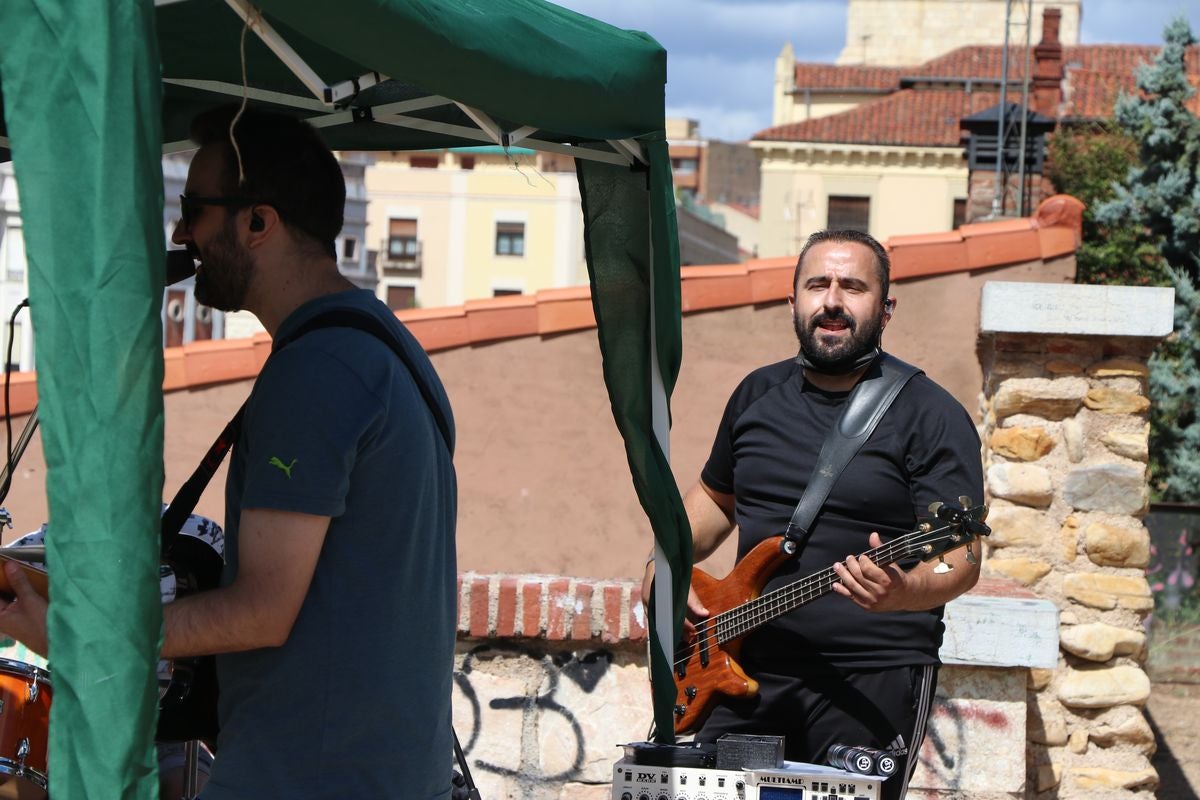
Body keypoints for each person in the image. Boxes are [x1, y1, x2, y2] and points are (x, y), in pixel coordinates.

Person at [0, 104, 458, 800]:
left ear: (257, 223)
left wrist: (82, 634)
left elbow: (263, 609)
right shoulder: (379, 348)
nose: (181, 233)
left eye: (194, 209)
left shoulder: (319, 373)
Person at [643, 229, 983, 800]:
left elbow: (962, 559)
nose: (832, 301)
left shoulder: (931, 415)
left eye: (853, 287)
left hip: (871, 679)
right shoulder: (756, 394)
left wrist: (905, 589)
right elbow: (713, 503)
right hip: (739, 670)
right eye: (817, 285)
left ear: (885, 308)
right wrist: (665, 565)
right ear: (794, 300)